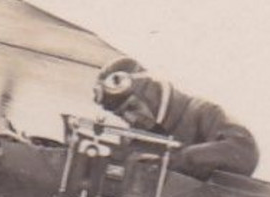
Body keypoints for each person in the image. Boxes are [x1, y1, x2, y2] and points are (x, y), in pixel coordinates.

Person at [93, 57, 258, 179]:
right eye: (121, 115)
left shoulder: (203, 112)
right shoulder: (135, 139)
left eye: (132, 107)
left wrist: (175, 161)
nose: (130, 119)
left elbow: (243, 151)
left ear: (150, 92)